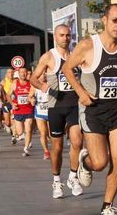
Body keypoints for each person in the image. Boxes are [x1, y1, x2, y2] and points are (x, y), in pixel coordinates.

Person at [62, 4, 117, 215]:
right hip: (93, 110)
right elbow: (67, 68)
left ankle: (108, 207)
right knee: (100, 162)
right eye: (115, 20)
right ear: (104, 20)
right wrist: (81, 92)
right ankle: (86, 162)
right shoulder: (88, 46)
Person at [30, 24, 84, 199]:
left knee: (77, 142)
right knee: (58, 148)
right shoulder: (48, 57)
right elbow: (33, 78)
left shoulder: (76, 55)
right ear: (55, 37)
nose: (65, 38)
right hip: (56, 107)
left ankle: (73, 176)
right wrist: (42, 85)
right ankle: (56, 180)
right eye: (62, 35)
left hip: (74, 105)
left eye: (68, 35)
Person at [8, 67, 34, 156]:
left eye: (25, 72)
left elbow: (35, 94)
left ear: (27, 74)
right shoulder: (15, 83)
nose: (23, 74)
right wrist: (12, 104)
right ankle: (20, 136)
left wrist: (33, 100)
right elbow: (8, 95)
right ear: (18, 74)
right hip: (18, 110)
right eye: (21, 72)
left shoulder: (31, 83)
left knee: (29, 130)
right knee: (20, 133)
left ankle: (26, 148)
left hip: (28, 110)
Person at [29, 74, 51, 160]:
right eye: (41, 75)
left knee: (50, 133)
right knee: (43, 133)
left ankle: (54, 147)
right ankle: (46, 151)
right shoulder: (35, 86)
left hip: (50, 112)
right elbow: (29, 96)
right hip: (40, 112)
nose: (43, 76)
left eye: (45, 74)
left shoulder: (51, 83)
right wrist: (31, 100)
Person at [0, 68, 17, 144]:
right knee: (8, 123)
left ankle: (14, 136)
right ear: (6, 74)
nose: (11, 74)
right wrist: (1, 100)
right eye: (9, 72)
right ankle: (6, 125)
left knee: (13, 119)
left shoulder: (15, 81)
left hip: (13, 102)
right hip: (6, 103)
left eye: (12, 72)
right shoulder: (3, 82)